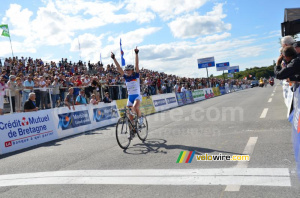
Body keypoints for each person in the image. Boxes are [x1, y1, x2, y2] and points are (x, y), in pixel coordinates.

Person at [111, 47, 143, 126]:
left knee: (135, 107)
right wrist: (114, 58)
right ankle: (132, 131)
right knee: (130, 116)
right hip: (130, 97)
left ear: (132, 71)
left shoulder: (136, 75)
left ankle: (140, 118)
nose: (127, 72)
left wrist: (136, 53)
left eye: (129, 70)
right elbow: (119, 68)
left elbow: (136, 64)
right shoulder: (126, 77)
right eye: (126, 70)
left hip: (137, 96)